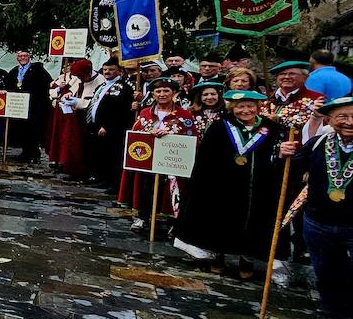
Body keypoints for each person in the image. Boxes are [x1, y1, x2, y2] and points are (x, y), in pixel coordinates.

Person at [173, 89, 286, 277]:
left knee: (251, 223)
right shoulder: (220, 127)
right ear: (232, 108)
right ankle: (219, 256)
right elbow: (206, 158)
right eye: (240, 107)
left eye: (250, 106)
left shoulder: (270, 128)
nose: (245, 111)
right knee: (222, 219)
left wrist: (281, 153)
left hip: (256, 187)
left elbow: (276, 155)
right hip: (224, 185)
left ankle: (246, 260)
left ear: (258, 107)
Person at [282, 96, 353, 319]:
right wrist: (282, 153)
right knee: (327, 274)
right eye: (342, 116)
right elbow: (289, 168)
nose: (349, 122)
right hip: (318, 221)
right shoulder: (318, 142)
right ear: (329, 119)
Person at [118, 77, 195, 233]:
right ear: (152, 94)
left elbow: (191, 138)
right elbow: (136, 133)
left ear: (174, 93)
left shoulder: (184, 115)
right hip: (148, 160)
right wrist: (148, 133)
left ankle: (172, 220)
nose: (162, 94)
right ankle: (143, 217)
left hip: (172, 161)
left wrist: (169, 134)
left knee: (172, 189)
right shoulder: (146, 112)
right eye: (158, 91)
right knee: (146, 187)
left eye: (166, 91)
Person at [84, 58, 133, 189]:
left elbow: (119, 110)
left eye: (111, 69)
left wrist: (107, 126)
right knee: (99, 154)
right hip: (95, 125)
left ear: (119, 71)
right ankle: (99, 177)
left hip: (111, 128)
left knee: (111, 155)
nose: (107, 72)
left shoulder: (123, 87)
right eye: (105, 69)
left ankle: (111, 181)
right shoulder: (102, 86)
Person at [5, 49, 51, 162]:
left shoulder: (38, 69)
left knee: (33, 129)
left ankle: (34, 152)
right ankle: (25, 151)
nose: (22, 58)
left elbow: (47, 84)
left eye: (25, 56)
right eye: (20, 56)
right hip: (19, 106)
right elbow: (9, 86)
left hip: (34, 106)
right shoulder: (14, 71)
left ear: (29, 57)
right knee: (22, 129)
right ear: (17, 58)